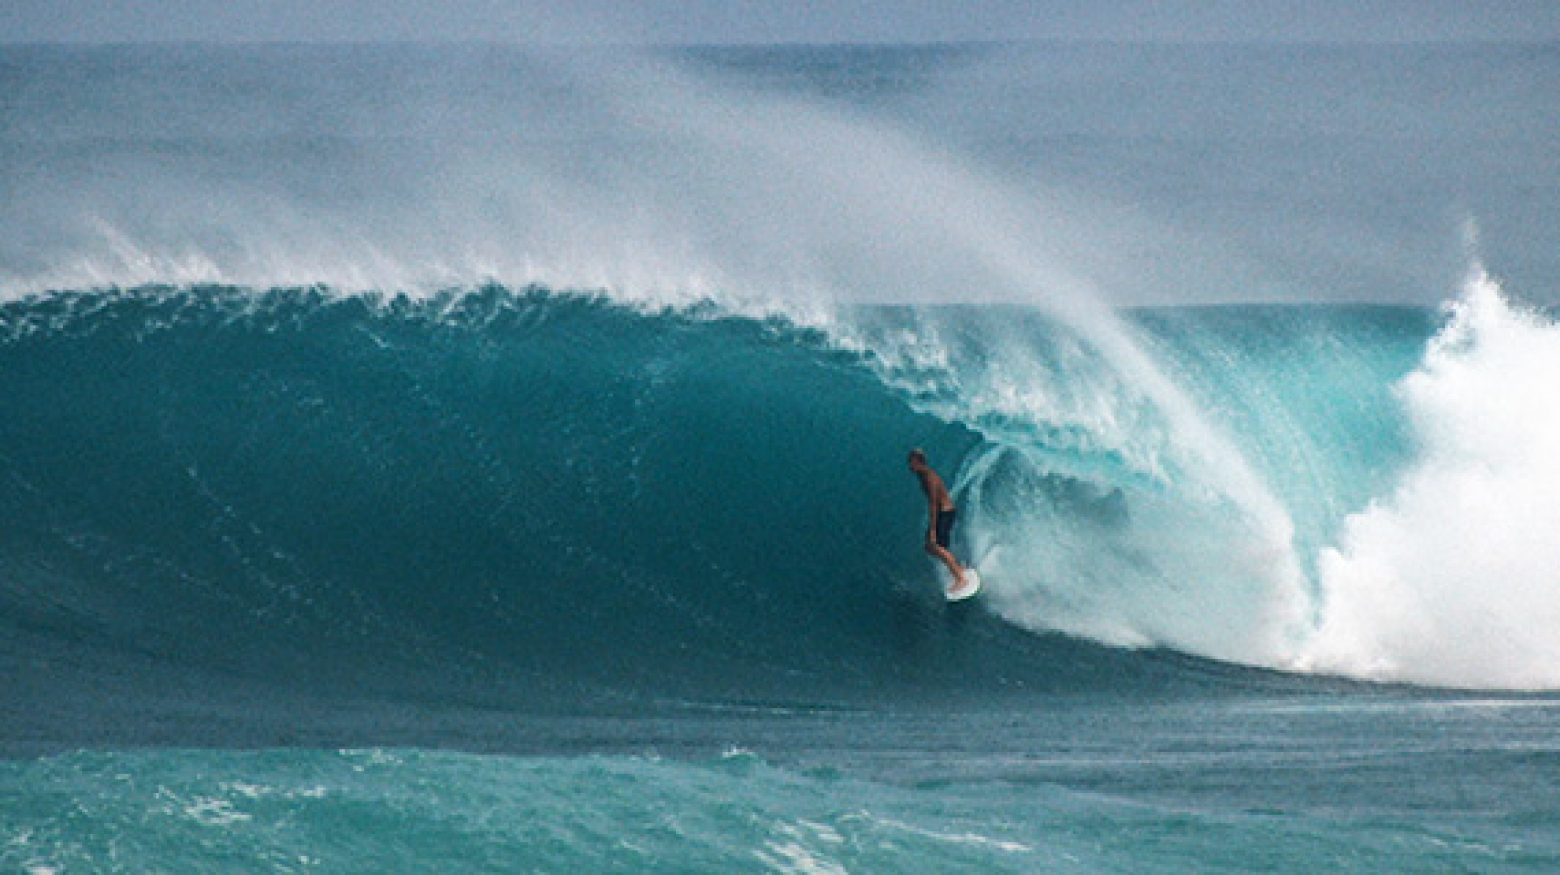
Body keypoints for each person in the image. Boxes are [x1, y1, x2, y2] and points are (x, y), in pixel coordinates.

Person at [907, 448, 970, 595]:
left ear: (919, 462)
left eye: (911, 462)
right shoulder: (922, 475)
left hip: (945, 513)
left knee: (935, 546)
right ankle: (958, 569)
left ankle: (961, 578)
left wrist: (933, 529)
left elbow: (934, 504)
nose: (909, 466)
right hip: (944, 513)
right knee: (931, 547)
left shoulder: (930, 478)